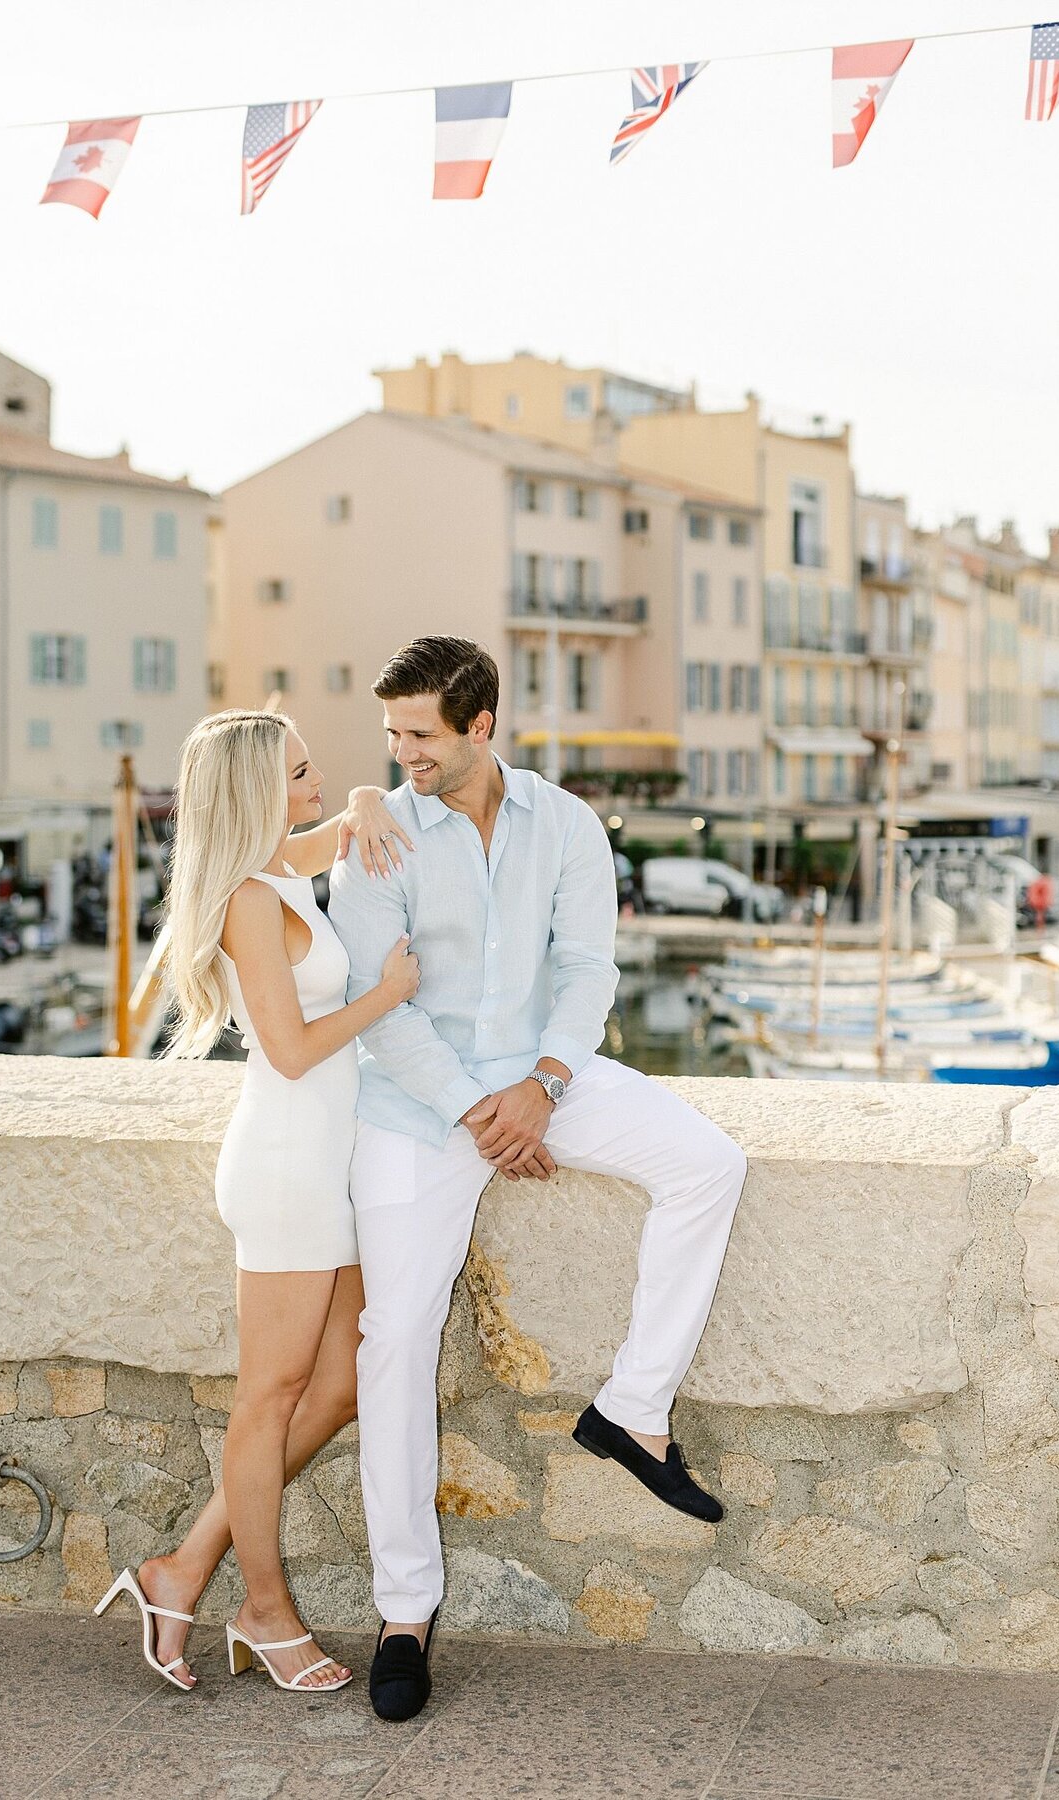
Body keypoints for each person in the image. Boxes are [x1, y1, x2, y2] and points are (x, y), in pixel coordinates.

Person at [328, 638, 748, 1723]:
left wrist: (546, 1085)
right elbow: (384, 1015)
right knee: (395, 1343)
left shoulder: (564, 824)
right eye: (392, 737)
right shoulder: (375, 836)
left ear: (481, 726)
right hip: (421, 1105)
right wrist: (482, 1109)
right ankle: (405, 1611)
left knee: (709, 1162)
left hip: (547, 1077)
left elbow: (586, 970)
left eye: (420, 735)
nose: (401, 753)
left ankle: (632, 1408)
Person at [94, 708, 419, 1695]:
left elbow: (348, 824)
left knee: (340, 1387)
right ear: (255, 793)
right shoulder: (246, 897)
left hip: (331, 1169)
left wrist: (363, 799)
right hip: (286, 1173)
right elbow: (290, 1050)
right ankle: (265, 1611)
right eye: (302, 771)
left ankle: (182, 1568)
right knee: (267, 1403)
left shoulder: (281, 866)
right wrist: (390, 992)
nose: (319, 781)